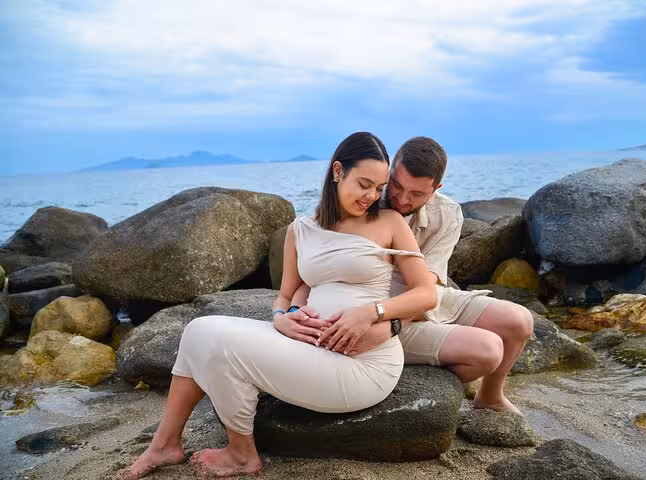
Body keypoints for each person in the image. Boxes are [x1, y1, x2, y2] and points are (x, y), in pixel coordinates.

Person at [118, 132, 437, 479]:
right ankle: (165, 444)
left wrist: (372, 312)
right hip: (309, 346)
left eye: (378, 187)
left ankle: (242, 454)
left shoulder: (388, 223)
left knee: (214, 339)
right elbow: (286, 295)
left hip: (363, 363)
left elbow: (426, 294)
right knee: (196, 330)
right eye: (364, 184)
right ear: (337, 172)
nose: (371, 196)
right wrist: (281, 318)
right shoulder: (300, 229)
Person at [293, 137, 533, 415]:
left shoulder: (447, 214)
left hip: (417, 301)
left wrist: (389, 325)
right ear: (391, 169)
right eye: (396, 185)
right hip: (377, 304)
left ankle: (490, 395)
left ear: (436, 189)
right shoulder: (362, 201)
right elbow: (310, 273)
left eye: (417, 194)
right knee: (486, 352)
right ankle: (410, 371)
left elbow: (427, 287)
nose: (402, 199)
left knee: (520, 322)